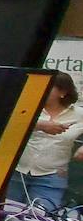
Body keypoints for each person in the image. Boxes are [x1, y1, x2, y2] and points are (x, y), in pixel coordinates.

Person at [7, 71, 83, 209]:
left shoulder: (78, 114)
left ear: (63, 92)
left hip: (51, 178)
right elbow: (7, 121)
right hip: (16, 173)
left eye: (48, 86)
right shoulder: (27, 108)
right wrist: (40, 125)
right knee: (3, 218)